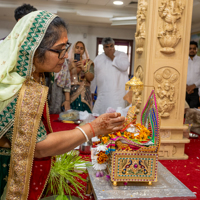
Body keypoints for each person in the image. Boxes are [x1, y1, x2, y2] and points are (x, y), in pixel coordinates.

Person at [0, 11, 125, 199]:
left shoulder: (34, 78)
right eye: (59, 49)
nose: (66, 56)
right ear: (34, 48)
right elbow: (39, 146)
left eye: (66, 47)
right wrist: (93, 128)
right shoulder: (16, 88)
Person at [91, 37, 129, 115]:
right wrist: (91, 91)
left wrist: (111, 56)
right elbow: (94, 76)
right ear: (103, 48)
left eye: (111, 46)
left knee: (116, 117)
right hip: (103, 94)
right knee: (98, 116)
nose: (109, 48)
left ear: (114, 46)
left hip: (118, 95)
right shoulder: (98, 59)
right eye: (107, 47)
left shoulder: (121, 55)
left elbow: (124, 67)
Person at [68, 41, 94, 113]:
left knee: (84, 116)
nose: (79, 50)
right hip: (70, 92)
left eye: (81, 48)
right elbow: (62, 77)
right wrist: (71, 67)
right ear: (74, 49)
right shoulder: (68, 62)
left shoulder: (88, 63)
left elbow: (91, 78)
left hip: (84, 93)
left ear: (84, 51)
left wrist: (84, 68)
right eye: (77, 47)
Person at [186, 41, 200, 108]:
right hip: (183, 90)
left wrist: (194, 85)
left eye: (194, 48)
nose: (192, 50)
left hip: (195, 91)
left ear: (196, 49)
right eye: (190, 48)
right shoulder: (183, 60)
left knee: (193, 113)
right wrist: (186, 87)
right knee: (182, 112)